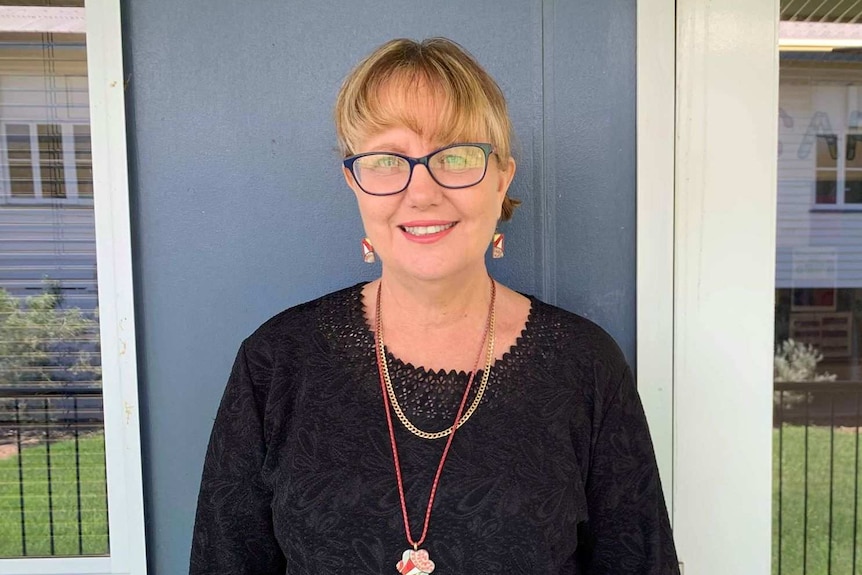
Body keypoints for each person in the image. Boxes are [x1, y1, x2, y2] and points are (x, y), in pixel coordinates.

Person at [190, 37, 679, 575]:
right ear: (353, 183)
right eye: (384, 160)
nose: (421, 192)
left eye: (456, 155)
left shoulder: (584, 365)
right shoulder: (276, 362)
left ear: (502, 178)